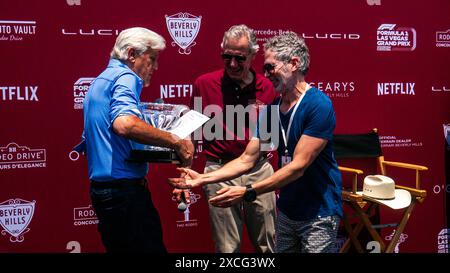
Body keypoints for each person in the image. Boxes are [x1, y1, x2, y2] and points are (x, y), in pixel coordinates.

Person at [170, 31, 342, 253]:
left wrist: (248, 191)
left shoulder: (318, 104)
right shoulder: (272, 108)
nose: (267, 74)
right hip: (288, 211)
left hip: (318, 212)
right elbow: (247, 158)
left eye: (271, 67)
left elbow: (298, 167)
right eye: (265, 68)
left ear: (294, 63)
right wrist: (203, 178)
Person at [81, 27, 194, 253]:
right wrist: (176, 141)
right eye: (151, 58)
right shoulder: (126, 76)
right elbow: (125, 123)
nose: (156, 66)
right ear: (132, 54)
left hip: (107, 193)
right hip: (125, 195)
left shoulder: (101, 80)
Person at [183, 24, 278, 253]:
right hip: (219, 171)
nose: (233, 64)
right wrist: (186, 170)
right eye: (227, 57)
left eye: (240, 58)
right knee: (227, 248)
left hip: (257, 170)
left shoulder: (268, 87)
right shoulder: (204, 84)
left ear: (254, 55)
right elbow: (192, 133)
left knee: (268, 245)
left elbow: (270, 137)